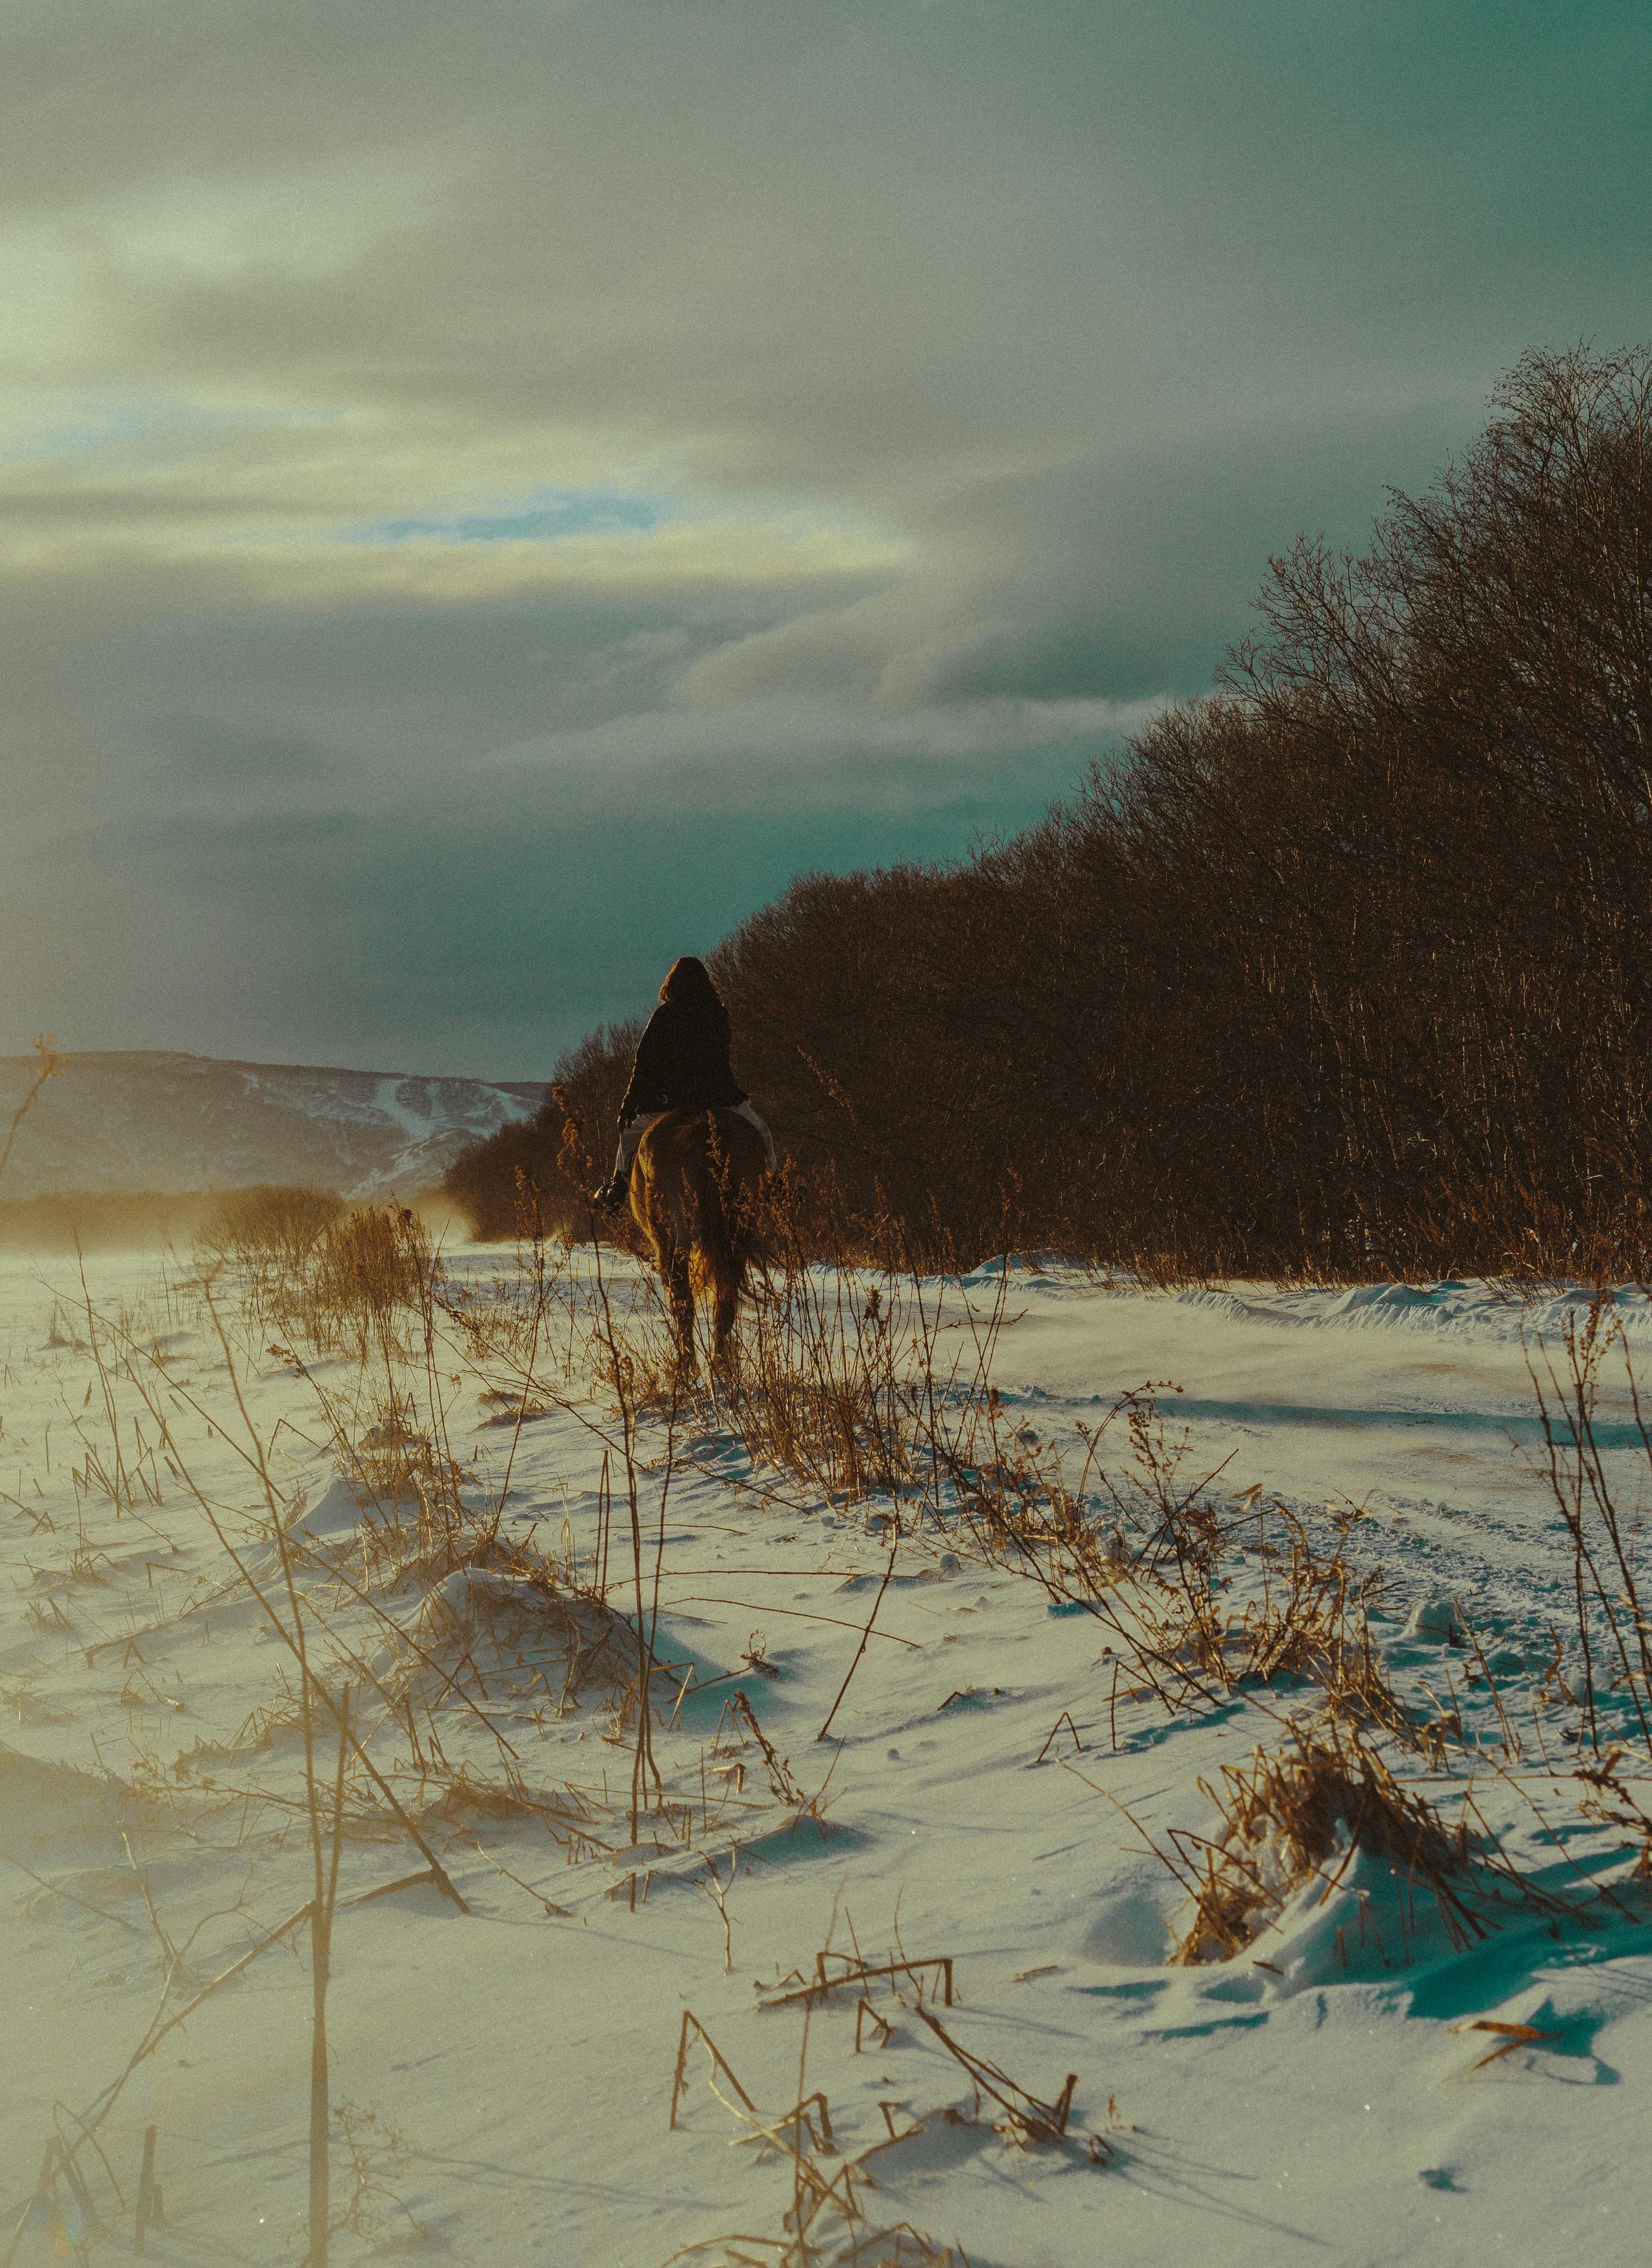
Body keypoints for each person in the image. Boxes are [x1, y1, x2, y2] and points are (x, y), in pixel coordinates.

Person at [591, 956, 777, 1213]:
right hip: (719, 1099)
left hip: (670, 1102)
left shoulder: (663, 1015)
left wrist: (628, 1106)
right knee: (762, 1134)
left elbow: (643, 1066)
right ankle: (773, 1187)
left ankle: (617, 1191)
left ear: (672, 984)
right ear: (705, 983)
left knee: (630, 1138)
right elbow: (720, 1058)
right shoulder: (717, 1014)